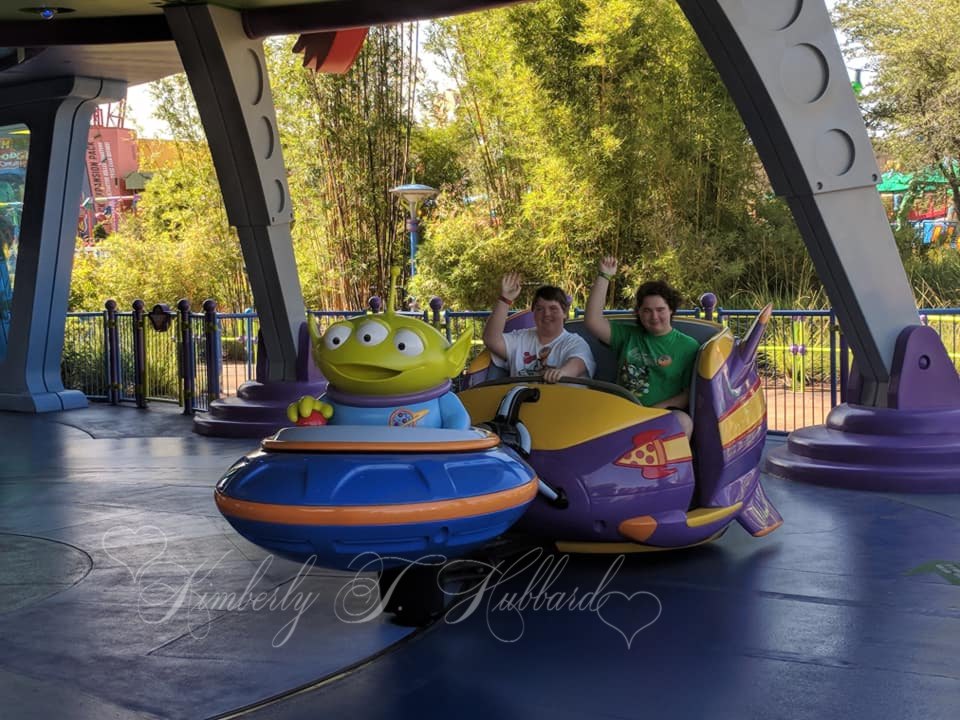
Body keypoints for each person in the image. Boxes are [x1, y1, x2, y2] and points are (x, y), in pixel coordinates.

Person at [584, 257, 698, 436]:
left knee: (683, 422)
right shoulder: (627, 335)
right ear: (639, 312)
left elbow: (687, 394)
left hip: (660, 415)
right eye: (647, 310)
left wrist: (650, 412)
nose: (654, 316)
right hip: (622, 412)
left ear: (671, 310)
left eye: (660, 310)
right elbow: (592, 321)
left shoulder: (688, 346)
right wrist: (604, 276)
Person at [482, 272, 595, 383]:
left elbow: (578, 363)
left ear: (565, 313)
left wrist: (562, 372)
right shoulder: (520, 339)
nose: (546, 314)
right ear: (533, 313)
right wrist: (505, 300)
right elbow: (491, 339)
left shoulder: (575, 343)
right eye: (540, 309)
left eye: (553, 309)